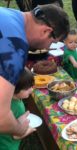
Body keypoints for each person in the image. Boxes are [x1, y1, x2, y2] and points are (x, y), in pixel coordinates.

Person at [0, 4, 69, 136]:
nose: (49, 47)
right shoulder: (15, 45)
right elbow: (1, 119)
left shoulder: (9, 14)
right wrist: (19, 129)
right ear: (46, 31)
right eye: (53, 43)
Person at [0, 68, 35, 150]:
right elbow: (16, 136)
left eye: (31, 86)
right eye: (27, 88)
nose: (31, 90)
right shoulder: (17, 108)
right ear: (14, 89)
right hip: (8, 146)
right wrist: (30, 130)